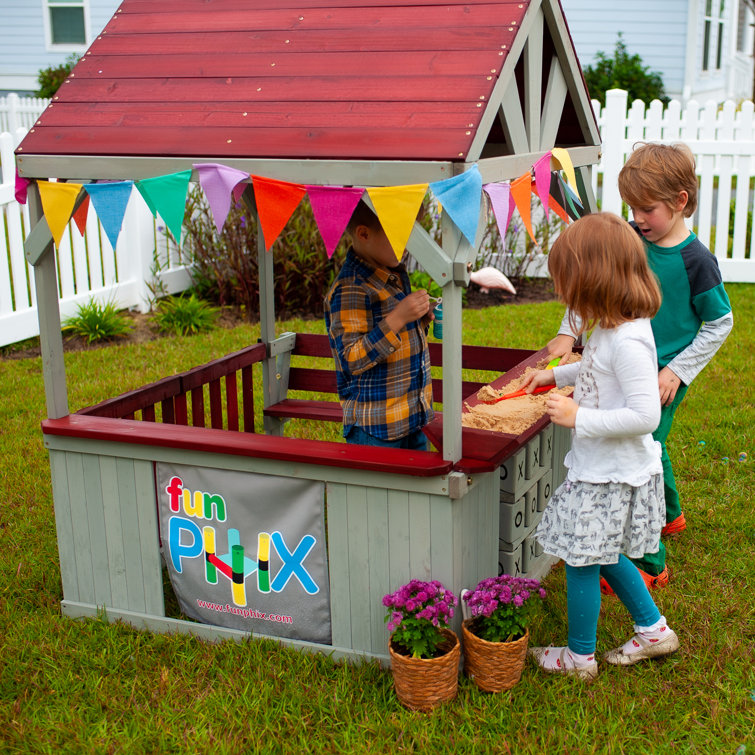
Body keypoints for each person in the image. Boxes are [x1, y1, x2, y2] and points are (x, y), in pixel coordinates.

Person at [548, 143, 733, 590]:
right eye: (632, 207)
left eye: (646, 209)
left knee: (640, 452)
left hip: (662, 375)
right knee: (651, 448)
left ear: (680, 203)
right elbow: (594, 282)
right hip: (623, 359)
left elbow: (719, 323)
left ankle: (650, 564)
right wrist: (569, 331)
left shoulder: (697, 262)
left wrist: (676, 372)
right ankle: (671, 516)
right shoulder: (630, 238)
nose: (638, 217)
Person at [524, 212, 679, 680]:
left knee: (580, 557)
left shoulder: (629, 341)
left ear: (595, 281)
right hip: (604, 467)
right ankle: (653, 631)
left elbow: (646, 414)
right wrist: (554, 374)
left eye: (568, 284)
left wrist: (580, 417)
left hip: (610, 473)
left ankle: (579, 658)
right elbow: (592, 365)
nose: (565, 295)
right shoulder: (609, 330)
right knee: (605, 552)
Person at [324, 201, 434, 449]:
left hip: (414, 417)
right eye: (399, 236)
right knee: (379, 488)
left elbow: (396, 343)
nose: (407, 245)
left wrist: (419, 321)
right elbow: (351, 359)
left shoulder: (391, 272)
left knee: (416, 488)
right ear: (363, 234)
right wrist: (398, 317)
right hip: (376, 429)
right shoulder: (351, 288)